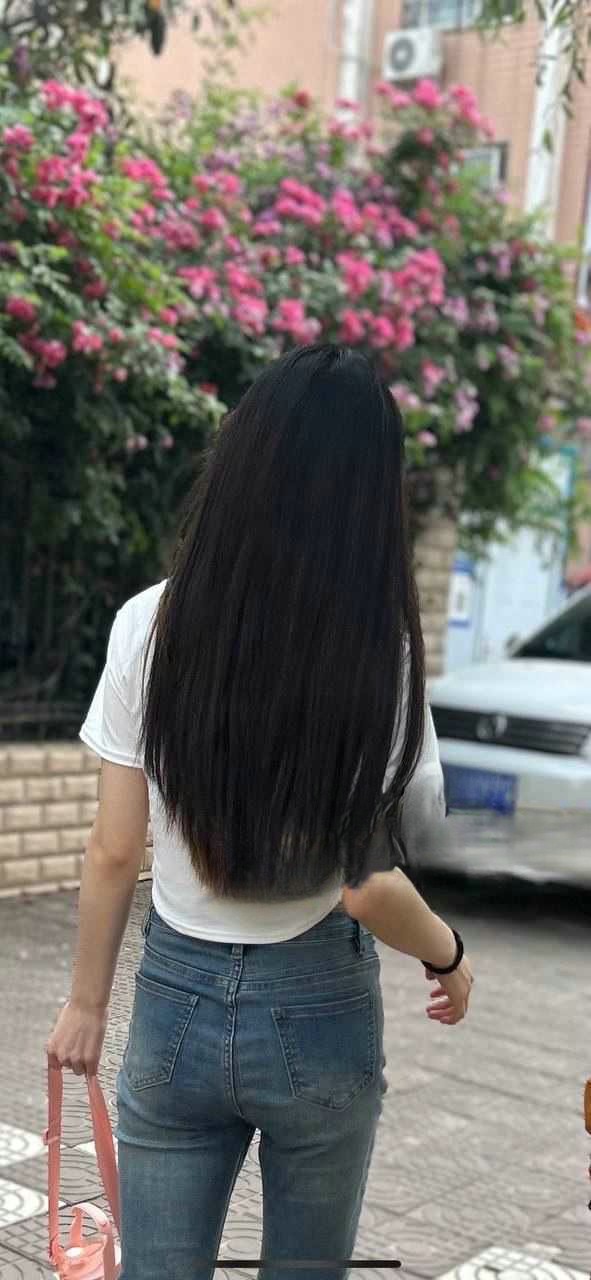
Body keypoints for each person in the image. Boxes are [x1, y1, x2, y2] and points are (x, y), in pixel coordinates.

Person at [47, 343, 473, 1280]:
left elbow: (113, 850)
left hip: (173, 999)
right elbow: (369, 886)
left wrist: (85, 1005)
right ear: (369, 496)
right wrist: (448, 955)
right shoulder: (380, 656)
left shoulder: (148, 624)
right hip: (318, 1005)